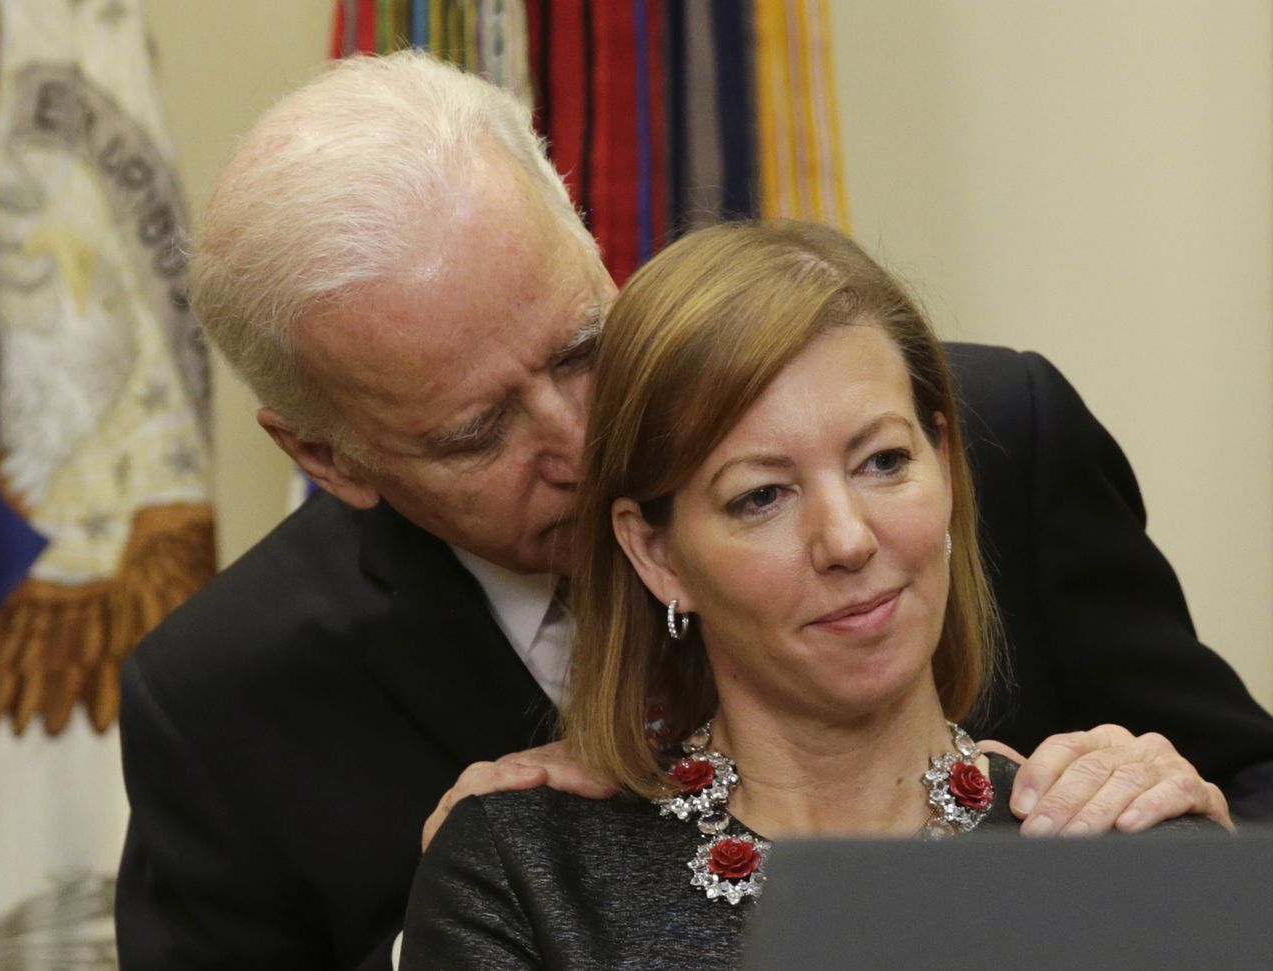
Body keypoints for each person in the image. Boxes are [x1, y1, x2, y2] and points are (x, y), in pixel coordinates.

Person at [115, 52, 1273, 971]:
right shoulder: (224, 698)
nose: (578, 437)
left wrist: (1192, 843)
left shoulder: (988, 433)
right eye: (478, 431)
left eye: (579, 345)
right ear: (328, 454)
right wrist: (448, 928)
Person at [400, 220, 1220, 969]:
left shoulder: (1123, 842)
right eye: (762, 496)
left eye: (884, 462)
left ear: (947, 466)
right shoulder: (524, 875)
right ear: (656, 553)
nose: (848, 538)